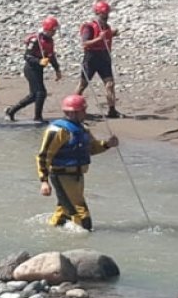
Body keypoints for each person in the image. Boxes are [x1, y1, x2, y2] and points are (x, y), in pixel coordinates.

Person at [35, 95, 118, 230]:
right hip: (62, 176)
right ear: (71, 112)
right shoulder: (58, 130)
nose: (85, 113)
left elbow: (91, 149)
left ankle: (53, 232)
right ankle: (85, 234)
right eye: (82, 110)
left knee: (65, 210)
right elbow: (43, 156)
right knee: (80, 212)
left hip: (77, 177)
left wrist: (108, 144)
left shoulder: (82, 129)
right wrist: (44, 181)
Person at [6, 16, 62, 123]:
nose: (54, 33)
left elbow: (51, 56)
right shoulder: (35, 40)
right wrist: (39, 61)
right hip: (31, 69)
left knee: (33, 95)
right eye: (53, 31)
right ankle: (37, 117)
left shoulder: (50, 41)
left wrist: (57, 69)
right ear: (48, 30)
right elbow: (27, 56)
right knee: (41, 93)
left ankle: (11, 110)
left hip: (39, 69)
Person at [76, 0, 121, 118]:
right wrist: (98, 39)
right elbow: (85, 43)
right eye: (103, 13)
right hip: (91, 58)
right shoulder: (88, 27)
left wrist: (112, 33)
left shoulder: (106, 27)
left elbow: (106, 35)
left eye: (107, 13)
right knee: (82, 85)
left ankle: (112, 110)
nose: (106, 16)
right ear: (97, 13)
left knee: (110, 84)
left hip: (104, 57)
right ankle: (74, 107)